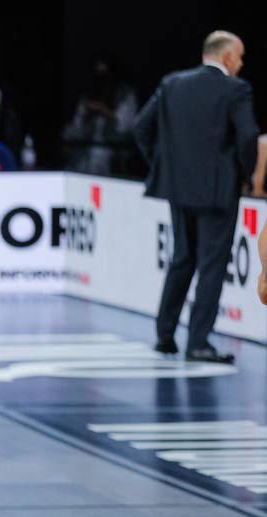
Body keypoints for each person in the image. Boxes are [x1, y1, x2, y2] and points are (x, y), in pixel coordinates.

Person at [134, 31, 257, 364]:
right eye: (241, 56)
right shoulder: (236, 89)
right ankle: (199, 342)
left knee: (182, 259)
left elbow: (140, 128)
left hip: (179, 190)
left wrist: (165, 168)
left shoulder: (172, 83)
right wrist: (246, 176)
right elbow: (247, 137)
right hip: (218, 193)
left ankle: (164, 336)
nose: (242, 64)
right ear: (228, 56)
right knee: (212, 266)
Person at [62, 55, 138, 176]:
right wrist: (88, 114)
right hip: (87, 142)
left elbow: (125, 124)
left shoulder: (124, 93)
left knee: (98, 154)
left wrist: (102, 109)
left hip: (112, 144)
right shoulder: (90, 92)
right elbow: (78, 123)